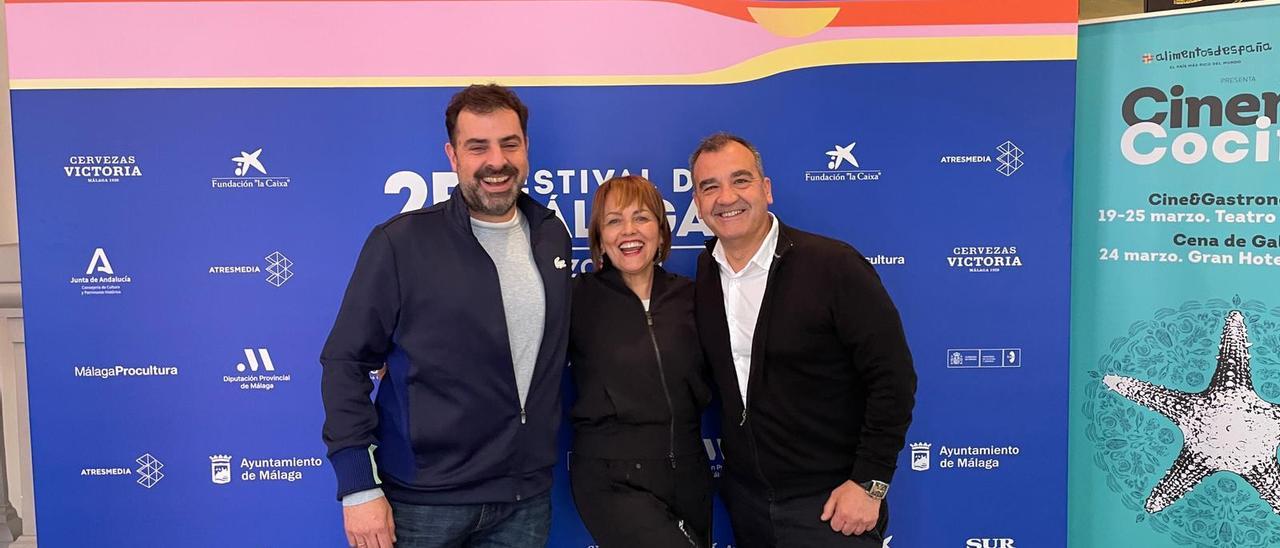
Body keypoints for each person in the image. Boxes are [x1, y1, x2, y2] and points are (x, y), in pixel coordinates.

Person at [320, 84, 571, 548]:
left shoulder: (551, 235)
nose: (497, 161)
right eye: (478, 147)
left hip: (524, 500)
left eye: (509, 144)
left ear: (526, 148)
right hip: (422, 504)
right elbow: (345, 362)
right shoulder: (400, 243)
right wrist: (357, 485)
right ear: (453, 156)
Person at [689, 132, 916, 547]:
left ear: (766, 189)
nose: (726, 197)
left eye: (740, 180)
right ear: (699, 203)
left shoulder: (833, 266)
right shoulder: (705, 274)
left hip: (831, 508)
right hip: (748, 507)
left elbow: (894, 379)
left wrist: (870, 483)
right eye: (710, 187)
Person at [568, 175, 714, 547]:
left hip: (689, 472)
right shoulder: (575, 299)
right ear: (599, 238)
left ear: (662, 233)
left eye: (642, 218)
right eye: (614, 220)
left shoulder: (695, 297)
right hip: (611, 478)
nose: (628, 230)